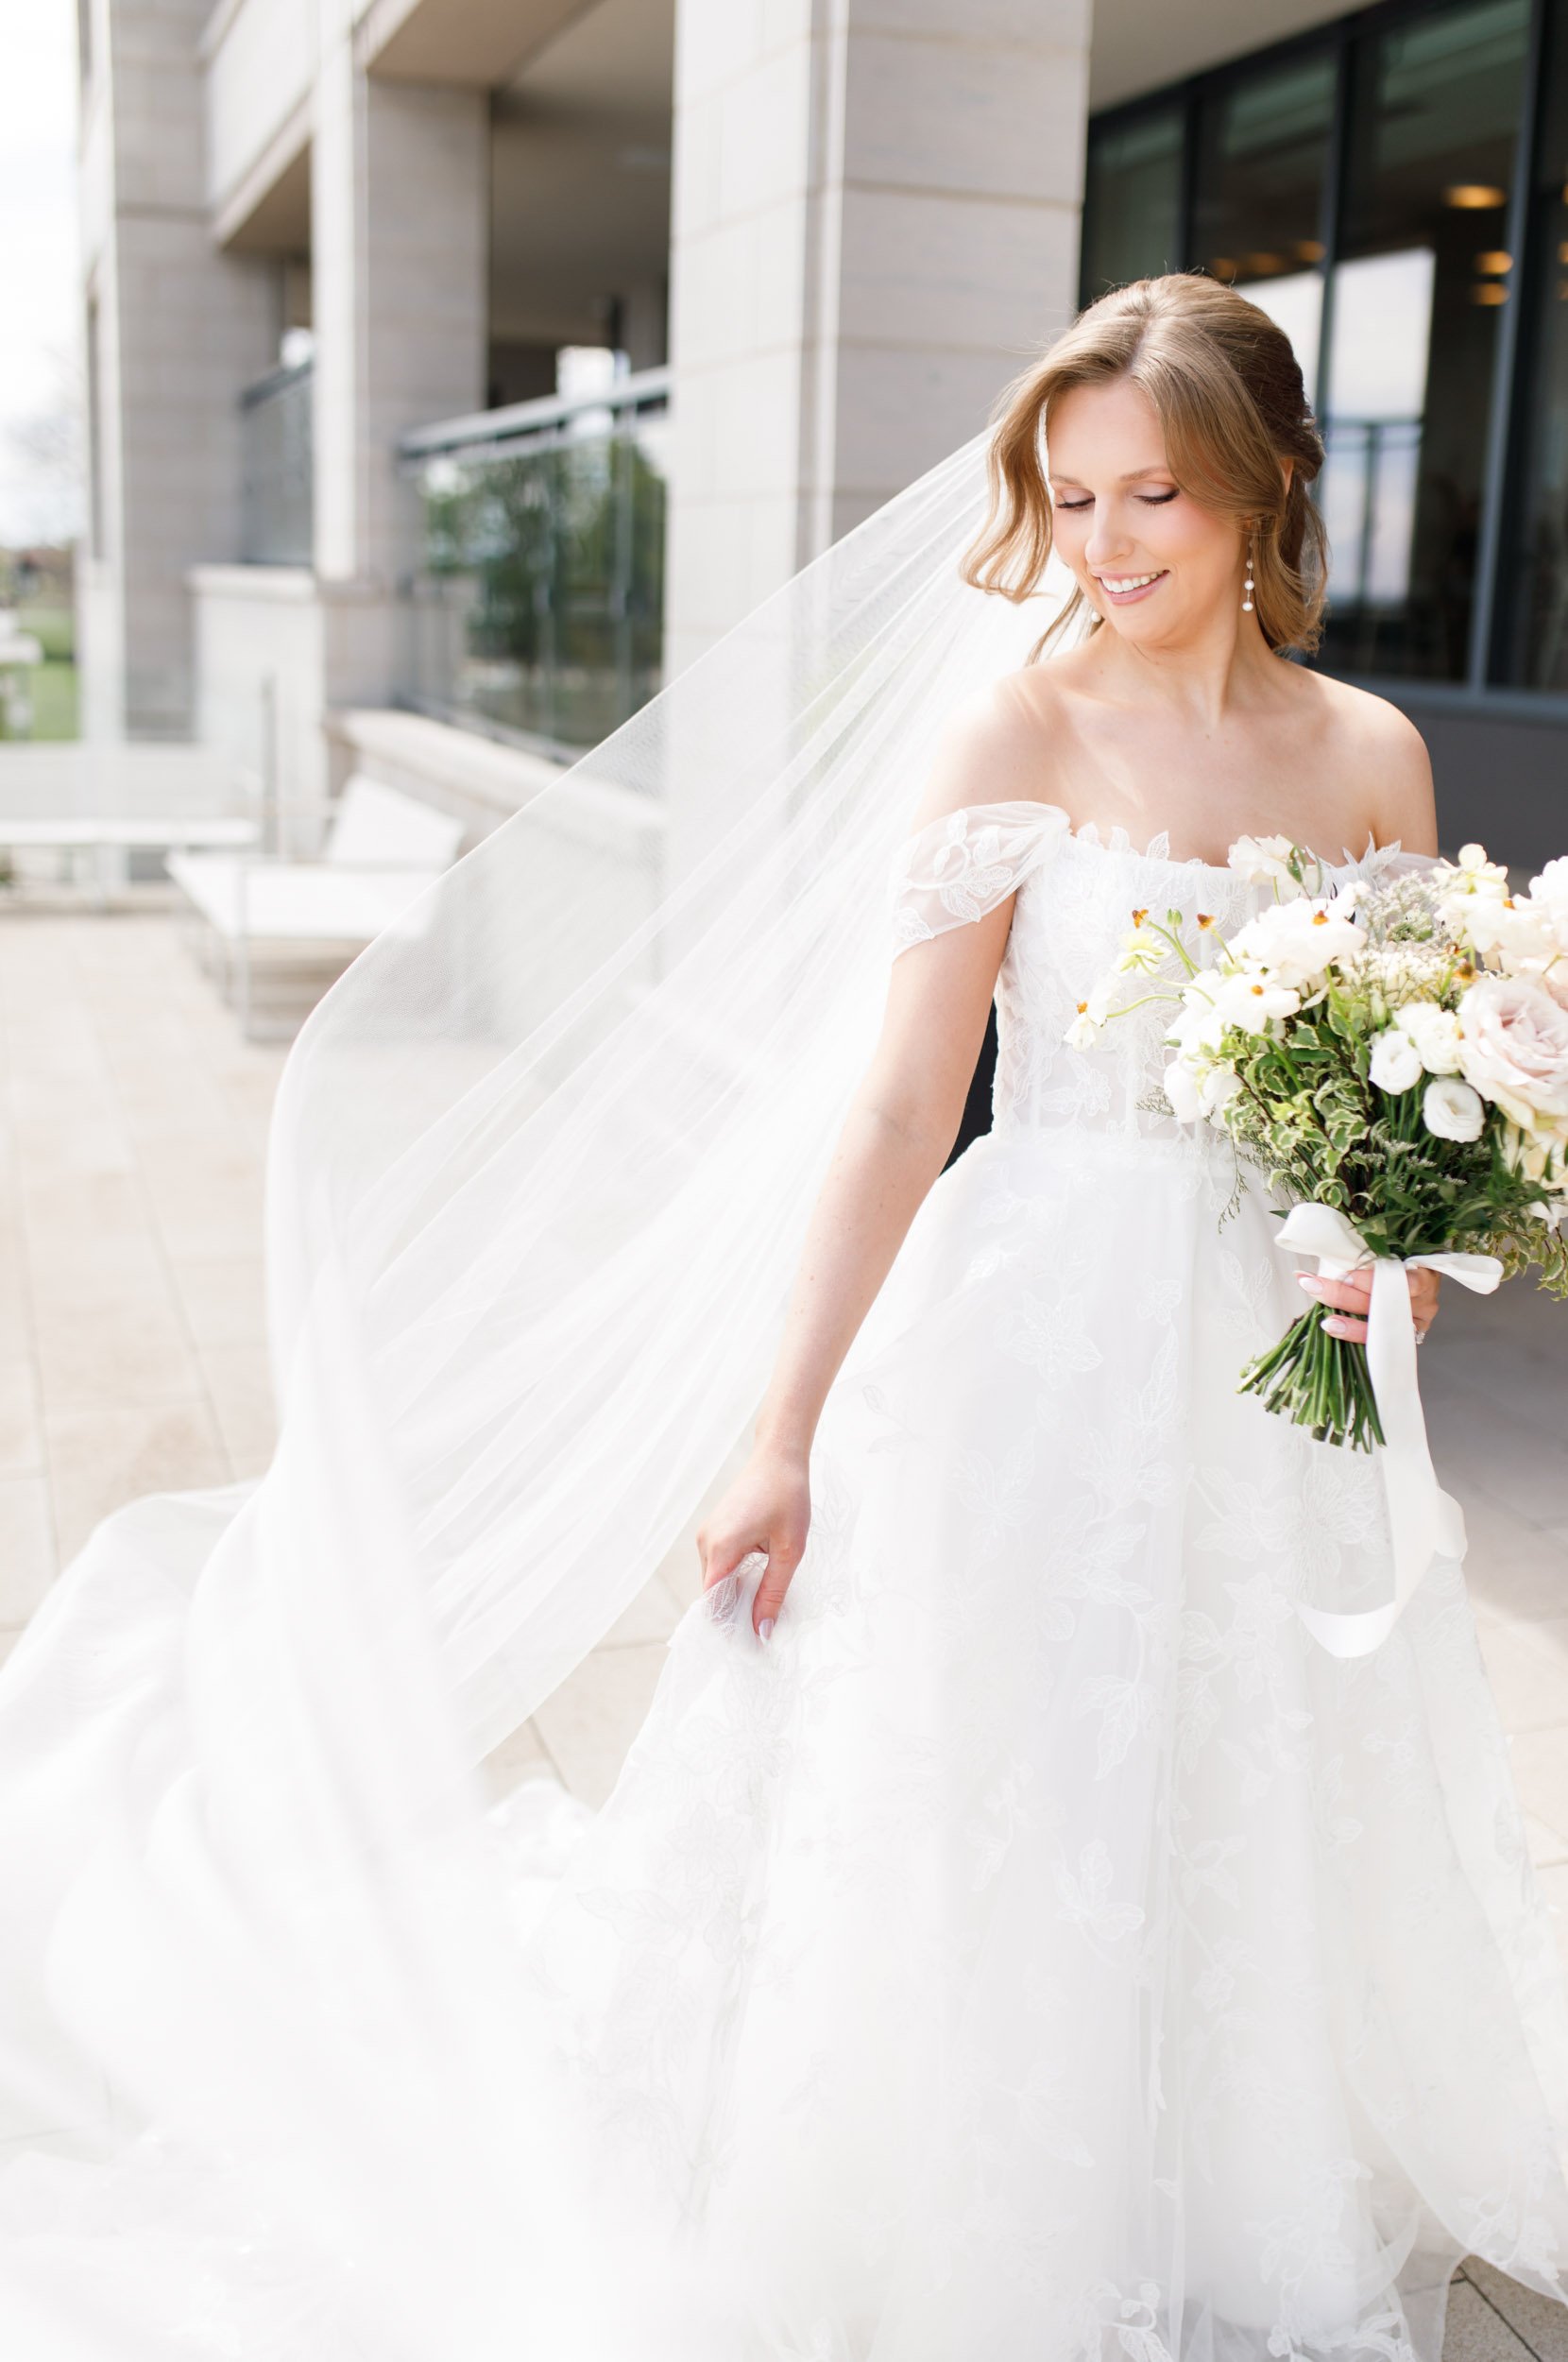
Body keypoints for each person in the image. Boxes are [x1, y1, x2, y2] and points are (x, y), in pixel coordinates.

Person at [1, 273, 1566, 2362]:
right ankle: (978, 2184)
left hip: (1273, 1370)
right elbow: (905, 1103)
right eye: (1073, 495)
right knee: (1008, 1765)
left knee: (1251, 1760)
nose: (1103, 542)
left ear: (1267, 481)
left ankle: (1225, 2162)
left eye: (1154, 496)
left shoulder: (1373, 752)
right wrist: (780, 1430)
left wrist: (1397, 1249)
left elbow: (1407, 1088)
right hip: (1033, 1332)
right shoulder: (1016, 727)